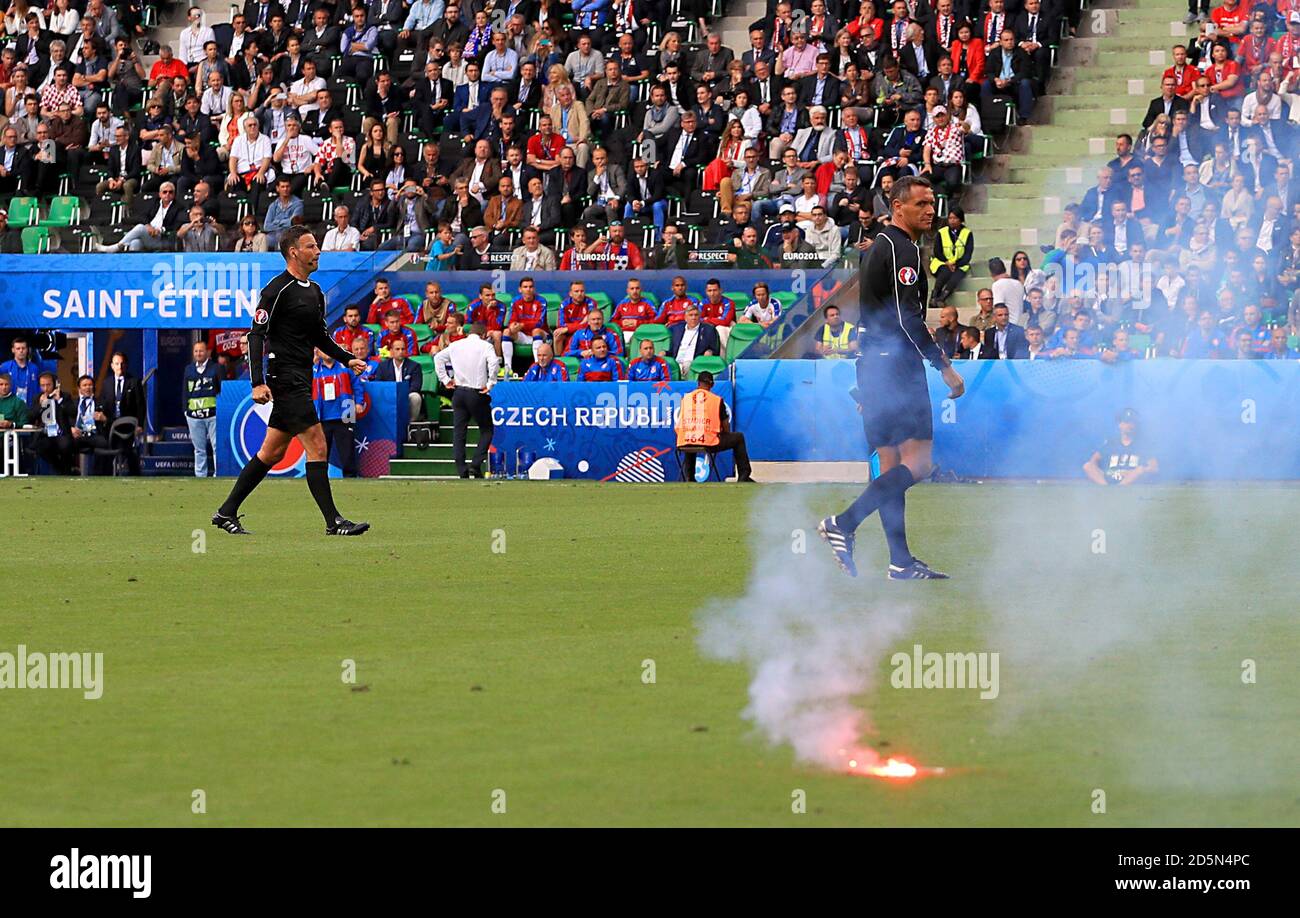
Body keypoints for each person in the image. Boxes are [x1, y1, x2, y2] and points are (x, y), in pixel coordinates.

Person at [818, 175, 965, 580]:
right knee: (919, 465)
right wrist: (944, 366)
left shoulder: (882, 246)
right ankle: (843, 523)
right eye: (921, 203)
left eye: (932, 202)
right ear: (897, 207)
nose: (930, 210)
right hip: (896, 367)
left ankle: (899, 561)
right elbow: (906, 318)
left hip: (874, 364)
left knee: (890, 465)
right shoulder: (902, 250)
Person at [212, 226, 371, 536]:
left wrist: (346, 358)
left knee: (271, 453)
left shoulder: (314, 292)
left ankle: (226, 511)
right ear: (294, 252)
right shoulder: (276, 290)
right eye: (311, 246)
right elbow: (256, 335)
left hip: (301, 376)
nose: (318, 251)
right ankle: (333, 522)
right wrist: (257, 383)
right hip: (284, 377)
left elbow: (319, 336)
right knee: (317, 444)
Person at [433, 321, 500, 478]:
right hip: (476, 393)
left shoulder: (456, 345)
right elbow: (494, 363)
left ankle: (461, 470)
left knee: (459, 433)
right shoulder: (485, 346)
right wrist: (491, 383)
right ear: (483, 335)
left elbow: (438, 358)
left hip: (459, 393)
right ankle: (475, 465)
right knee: (486, 430)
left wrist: (445, 379)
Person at [675, 370, 754, 482]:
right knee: (738, 437)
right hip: (708, 442)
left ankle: (689, 477)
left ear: (698, 383)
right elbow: (726, 426)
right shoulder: (716, 400)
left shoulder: (685, 399)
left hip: (685, 441)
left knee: (690, 440)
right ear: (712, 384)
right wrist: (723, 433)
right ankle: (743, 475)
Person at [314, 347, 366, 477]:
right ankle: (320, 479)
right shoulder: (313, 370)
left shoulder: (346, 366)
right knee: (321, 451)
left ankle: (351, 478)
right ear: (318, 353)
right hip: (322, 416)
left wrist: (359, 402)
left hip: (346, 413)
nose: (327, 352)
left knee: (347, 450)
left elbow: (357, 385)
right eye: (323, 350)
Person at [1084, 409, 1158, 486]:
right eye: (1126, 422)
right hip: (1109, 478)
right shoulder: (1111, 443)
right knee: (1087, 466)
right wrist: (1103, 473)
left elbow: (1154, 468)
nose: (1130, 425)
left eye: (1132, 422)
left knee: (1140, 469)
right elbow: (1093, 461)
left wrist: (1137, 471)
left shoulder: (1142, 444)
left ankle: (1120, 488)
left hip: (1130, 479)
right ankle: (1106, 488)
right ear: (1120, 424)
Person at [101, 351, 144, 474]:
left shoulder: (134, 382)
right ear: (112, 366)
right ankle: (106, 476)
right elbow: (104, 404)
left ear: (126, 365)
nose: (119, 366)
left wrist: (140, 425)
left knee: (128, 450)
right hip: (110, 424)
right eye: (117, 363)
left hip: (128, 424)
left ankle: (135, 476)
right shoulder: (106, 383)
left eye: (122, 363)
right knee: (105, 448)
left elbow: (140, 405)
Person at [184, 339, 221, 477]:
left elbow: (221, 390)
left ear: (207, 352)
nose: (198, 353)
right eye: (196, 351)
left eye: (201, 351)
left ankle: (219, 473)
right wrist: (185, 410)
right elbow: (185, 391)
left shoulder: (216, 368)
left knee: (217, 447)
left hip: (213, 415)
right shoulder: (188, 369)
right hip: (193, 416)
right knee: (199, 449)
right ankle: (200, 475)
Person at [375, 334, 424, 422]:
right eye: (397, 349)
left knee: (415, 397)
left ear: (406, 351)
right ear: (391, 351)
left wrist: (400, 395)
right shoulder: (383, 366)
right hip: (389, 396)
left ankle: (410, 424)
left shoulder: (415, 366)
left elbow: (415, 387)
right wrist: (392, 395)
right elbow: (378, 385)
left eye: (403, 349)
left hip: (407, 395)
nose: (400, 351)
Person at [666, 305, 721, 376]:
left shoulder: (708, 330)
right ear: (685, 318)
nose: (693, 317)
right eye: (691, 315)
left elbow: (715, 350)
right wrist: (664, 352)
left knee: (686, 366)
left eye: (696, 315)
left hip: (693, 363)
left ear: (700, 317)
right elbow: (672, 350)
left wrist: (710, 351)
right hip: (676, 362)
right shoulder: (677, 329)